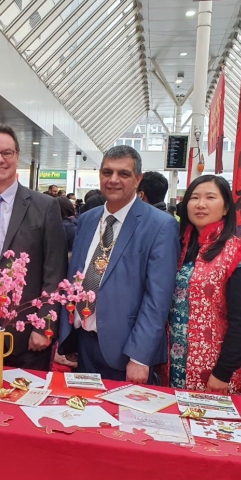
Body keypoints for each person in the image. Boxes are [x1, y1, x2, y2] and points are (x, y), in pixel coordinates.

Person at [58, 145, 179, 382]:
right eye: (107, 172)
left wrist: (140, 356)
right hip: (82, 344)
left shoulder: (160, 225)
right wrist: (66, 334)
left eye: (123, 174)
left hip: (126, 351)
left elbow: (158, 298)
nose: (113, 180)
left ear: (137, 179)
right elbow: (75, 277)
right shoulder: (88, 219)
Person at [0, 124, 67, 370]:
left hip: (26, 335)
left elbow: (54, 272)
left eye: (6, 153)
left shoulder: (45, 207)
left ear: (17, 156)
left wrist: (44, 326)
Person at [167, 175, 241, 395]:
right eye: (194, 198)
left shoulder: (237, 254)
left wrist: (223, 371)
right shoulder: (180, 248)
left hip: (214, 374)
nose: (200, 204)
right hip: (172, 368)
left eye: (210, 197)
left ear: (226, 207)